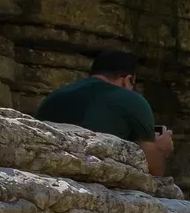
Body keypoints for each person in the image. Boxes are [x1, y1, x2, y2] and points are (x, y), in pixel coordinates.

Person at [35, 50, 175, 177]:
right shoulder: (133, 102)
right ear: (127, 80)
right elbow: (154, 170)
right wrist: (160, 149)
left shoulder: (54, 98)